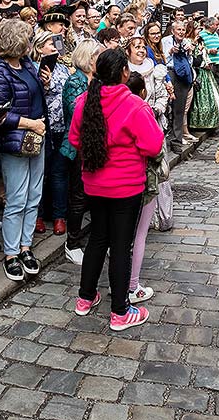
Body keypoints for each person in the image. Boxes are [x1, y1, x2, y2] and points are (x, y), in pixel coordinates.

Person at [68, 48, 163, 331]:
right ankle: (120, 311)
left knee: (97, 238)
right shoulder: (135, 105)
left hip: (94, 184)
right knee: (121, 246)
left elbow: (75, 140)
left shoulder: (85, 101)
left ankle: (86, 298)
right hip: (126, 187)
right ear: (124, 72)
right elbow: (153, 145)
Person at [0, 20, 46, 282]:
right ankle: (11, 253)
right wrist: (29, 123)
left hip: (37, 137)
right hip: (16, 140)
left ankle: (25, 246)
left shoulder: (28, 65)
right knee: (16, 198)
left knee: (34, 195)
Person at [125, 70, 166, 305]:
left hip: (115, 182)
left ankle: (116, 281)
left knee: (118, 236)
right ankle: (132, 285)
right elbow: (154, 146)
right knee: (140, 234)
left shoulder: (110, 107)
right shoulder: (142, 109)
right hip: (142, 178)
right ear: (143, 91)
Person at [60, 40, 103, 265]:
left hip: (97, 144)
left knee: (97, 195)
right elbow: (77, 111)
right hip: (78, 146)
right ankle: (72, 243)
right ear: (88, 58)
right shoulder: (74, 81)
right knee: (78, 196)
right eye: (97, 56)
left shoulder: (98, 80)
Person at [31, 32, 70, 235]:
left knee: (59, 173)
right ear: (39, 47)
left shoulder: (62, 68)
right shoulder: (32, 69)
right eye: (49, 43)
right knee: (40, 174)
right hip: (41, 127)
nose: (54, 46)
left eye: (55, 43)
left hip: (61, 128)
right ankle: (37, 215)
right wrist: (44, 84)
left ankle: (59, 216)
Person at [163, 19, 195, 153]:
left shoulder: (187, 42)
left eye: (183, 30)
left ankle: (177, 139)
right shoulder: (165, 41)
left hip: (183, 74)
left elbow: (190, 61)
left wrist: (189, 52)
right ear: (173, 31)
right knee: (165, 107)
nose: (181, 32)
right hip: (169, 72)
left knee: (179, 108)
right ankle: (163, 139)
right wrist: (170, 52)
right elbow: (162, 57)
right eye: (179, 30)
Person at [126, 35, 169, 124]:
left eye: (144, 48)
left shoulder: (154, 70)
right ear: (127, 51)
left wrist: (156, 110)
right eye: (137, 47)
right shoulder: (124, 73)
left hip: (152, 119)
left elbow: (162, 95)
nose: (141, 50)